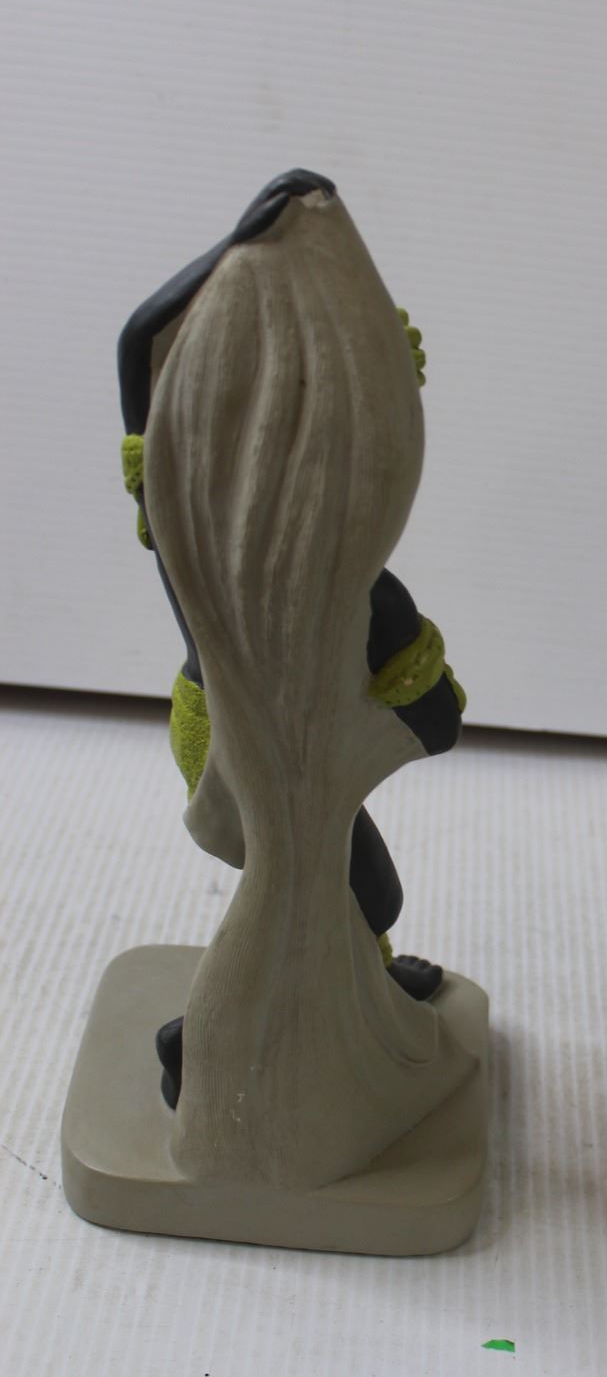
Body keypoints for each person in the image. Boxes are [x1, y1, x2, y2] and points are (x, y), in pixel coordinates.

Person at [117, 171, 464, 1105]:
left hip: (233, 730)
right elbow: (435, 720)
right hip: (234, 744)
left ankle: (340, 988)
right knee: (321, 890)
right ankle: (205, 1047)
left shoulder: (215, 546)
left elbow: (138, 352)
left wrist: (253, 235)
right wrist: (252, 244)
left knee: (340, 892)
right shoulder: (239, 564)